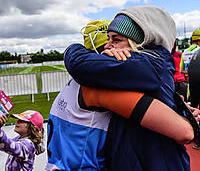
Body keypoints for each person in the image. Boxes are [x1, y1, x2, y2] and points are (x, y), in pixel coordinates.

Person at [47, 20, 200, 171]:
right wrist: (183, 117)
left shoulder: (79, 81)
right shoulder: (99, 89)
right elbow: (184, 131)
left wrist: (175, 103)